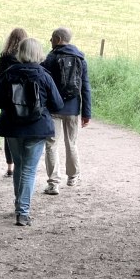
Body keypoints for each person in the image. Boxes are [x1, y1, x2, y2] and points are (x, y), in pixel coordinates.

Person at [0, 38, 63, 226]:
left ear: (20, 52)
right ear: (38, 53)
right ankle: (22, 212)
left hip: (12, 127)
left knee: (19, 166)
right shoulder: (44, 75)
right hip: (36, 128)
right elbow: (57, 104)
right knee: (29, 170)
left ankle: (19, 205)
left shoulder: (8, 73)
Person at [41, 27, 92, 195]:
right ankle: (73, 177)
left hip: (53, 107)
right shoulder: (80, 58)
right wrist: (86, 113)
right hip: (72, 108)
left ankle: (53, 183)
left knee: (51, 144)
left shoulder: (51, 57)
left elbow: (44, 83)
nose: (50, 41)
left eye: (51, 38)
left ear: (58, 39)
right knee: (71, 143)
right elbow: (85, 87)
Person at [0, 28, 28, 178]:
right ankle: (23, 163)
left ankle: (10, 167)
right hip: (24, 101)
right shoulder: (26, 57)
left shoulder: (4, 58)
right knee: (24, 131)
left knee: (8, 134)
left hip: (8, 101)